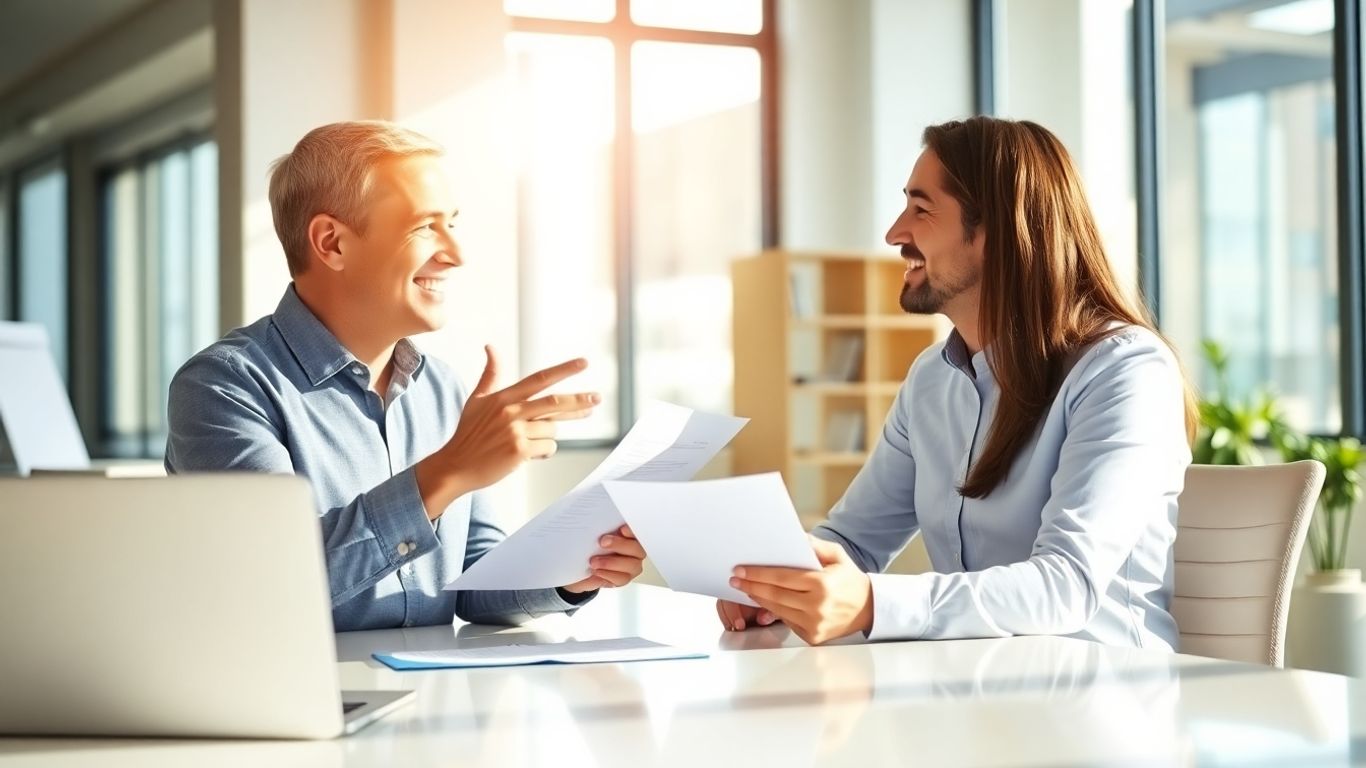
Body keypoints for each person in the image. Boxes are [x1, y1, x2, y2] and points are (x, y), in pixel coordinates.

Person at [721, 116, 1196, 648]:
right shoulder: (931, 379)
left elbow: (1068, 585)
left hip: (1101, 696)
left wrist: (874, 603)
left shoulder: (1123, 371)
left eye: (921, 210)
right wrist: (778, 582)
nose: (895, 233)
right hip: (971, 692)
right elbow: (854, 541)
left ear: (999, 233)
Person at [166, 120, 645, 631]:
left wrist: (572, 570)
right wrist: (448, 470)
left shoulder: (440, 388)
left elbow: (472, 579)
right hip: (300, 703)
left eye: (452, 224)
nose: (455, 255)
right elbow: (276, 581)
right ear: (332, 243)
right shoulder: (223, 388)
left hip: (434, 699)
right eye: (424, 226)